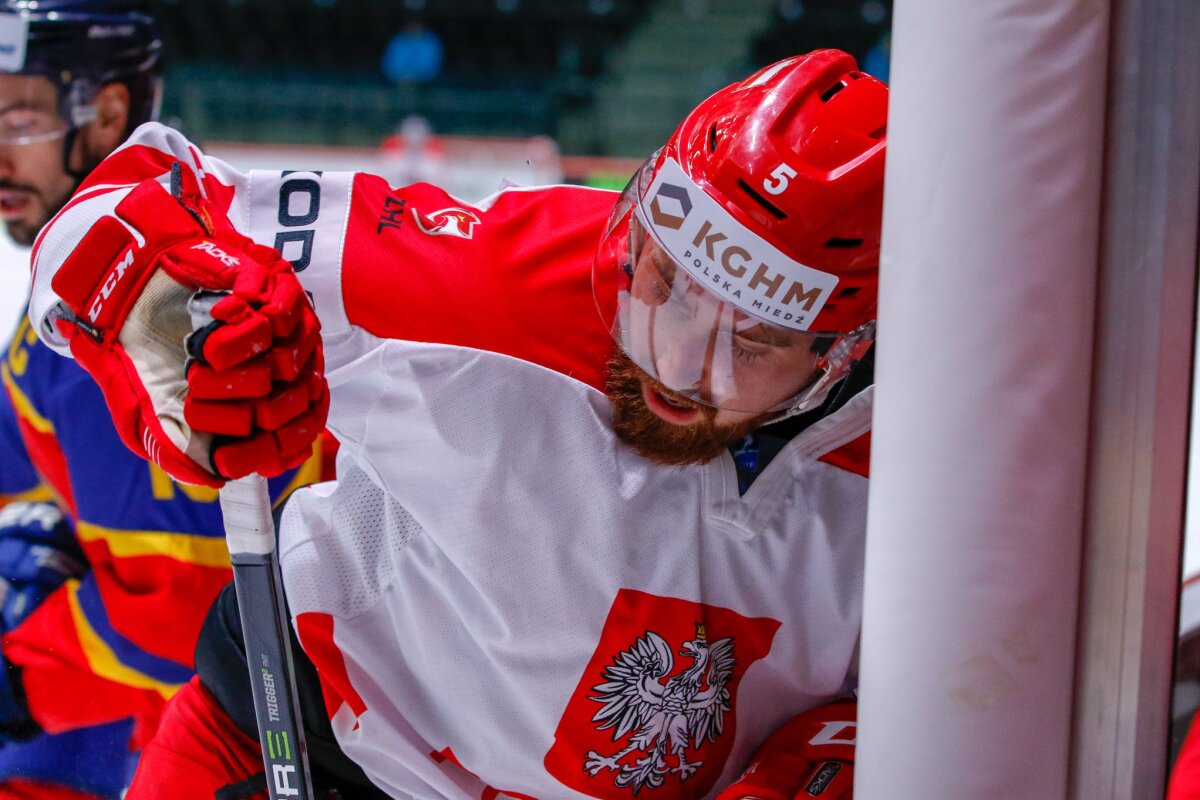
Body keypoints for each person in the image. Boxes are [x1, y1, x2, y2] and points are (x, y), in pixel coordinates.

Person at [28, 49, 885, 797]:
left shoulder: (954, 456)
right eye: (666, 281)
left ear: (847, 349)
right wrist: (167, 317)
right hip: (306, 739)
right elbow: (127, 199)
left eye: (756, 339)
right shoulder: (497, 279)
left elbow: (974, 698)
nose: (676, 358)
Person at [0, 2, 328, 797]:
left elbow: (186, 616)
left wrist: (18, 683)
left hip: (268, 731)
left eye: (18, 116)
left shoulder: (138, 305)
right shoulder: (82, 270)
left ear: (107, 112)